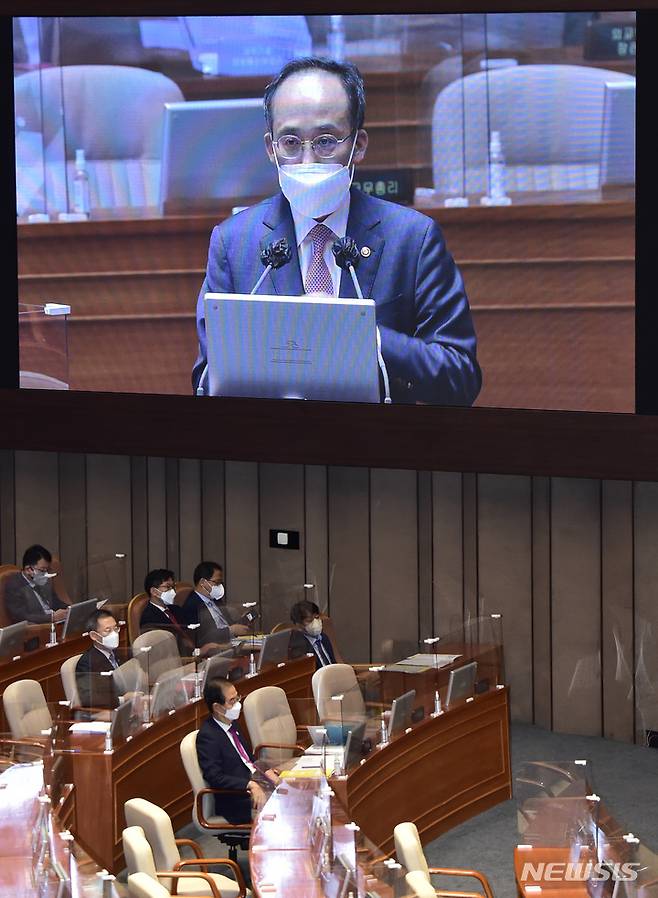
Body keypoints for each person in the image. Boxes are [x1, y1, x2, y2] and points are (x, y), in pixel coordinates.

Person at [192, 56, 481, 406]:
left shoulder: (413, 239)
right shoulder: (234, 243)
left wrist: (358, 334)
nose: (308, 161)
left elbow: (460, 378)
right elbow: (206, 381)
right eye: (291, 143)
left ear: (357, 145)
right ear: (271, 149)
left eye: (326, 141)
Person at [196, 678, 277, 823]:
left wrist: (268, 772)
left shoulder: (232, 724)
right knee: (284, 807)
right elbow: (214, 777)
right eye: (232, 701)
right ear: (217, 707)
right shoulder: (208, 736)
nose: (238, 704)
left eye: (237, 697)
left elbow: (249, 759)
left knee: (294, 790)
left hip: (257, 783)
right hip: (236, 798)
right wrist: (250, 785)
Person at [182, 562, 250, 647]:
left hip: (232, 642)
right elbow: (201, 637)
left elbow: (227, 623)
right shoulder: (191, 605)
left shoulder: (217, 600)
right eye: (216, 582)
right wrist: (230, 631)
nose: (219, 586)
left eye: (221, 583)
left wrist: (242, 621)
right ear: (203, 582)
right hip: (215, 648)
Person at [4, 544, 68, 624]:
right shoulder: (15, 585)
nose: (45, 574)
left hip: (55, 623)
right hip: (38, 628)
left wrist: (70, 609)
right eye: (42, 570)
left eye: (47, 570)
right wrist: (51, 617)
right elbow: (22, 617)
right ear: (28, 569)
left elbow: (56, 603)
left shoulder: (44, 580)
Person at [75, 608, 122, 710]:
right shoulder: (87, 662)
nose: (114, 634)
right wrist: (121, 699)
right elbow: (88, 698)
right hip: (107, 711)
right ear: (94, 636)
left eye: (115, 629)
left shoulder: (120, 653)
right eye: (108, 630)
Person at [139, 568, 193, 654]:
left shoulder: (176, 609)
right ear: (154, 591)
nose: (173, 591)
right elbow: (162, 647)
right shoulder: (149, 617)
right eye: (168, 587)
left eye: (173, 587)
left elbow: (190, 632)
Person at [288, 600, 336, 669]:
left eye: (317, 617)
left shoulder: (324, 637)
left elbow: (333, 662)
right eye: (310, 620)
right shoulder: (297, 647)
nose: (316, 622)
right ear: (298, 624)